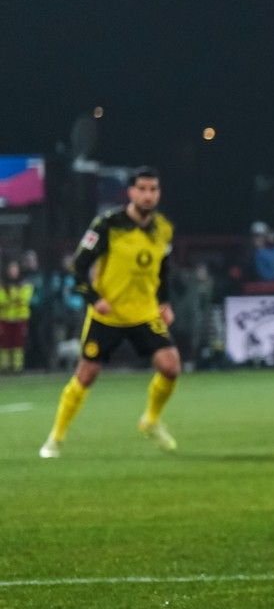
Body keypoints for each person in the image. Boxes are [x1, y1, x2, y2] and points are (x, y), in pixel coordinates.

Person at [41, 169, 181, 458]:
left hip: (144, 313)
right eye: (142, 189)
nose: (148, 195)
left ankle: (151, 420)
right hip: (109, 314)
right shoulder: (108, 225)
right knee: (86, 375)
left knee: (171, 366)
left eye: (153, 189)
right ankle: (55, 437)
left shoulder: (164, 228)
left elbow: (163, 269)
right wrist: (94, 298)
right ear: (130, 192)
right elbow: (78, 267)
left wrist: (164, 302)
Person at [0, 259, 32, 372]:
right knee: (4, 344)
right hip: (5, 318)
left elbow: (25, 299)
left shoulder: (24, 283)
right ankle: (4, 368)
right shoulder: (3, 283)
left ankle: (17, 368)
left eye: (15, 269)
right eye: (11, 269)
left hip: (20, 318)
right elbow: (1, 300)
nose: (13, 271)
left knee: (18, 343)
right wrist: (14, 300)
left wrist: (11, 300)